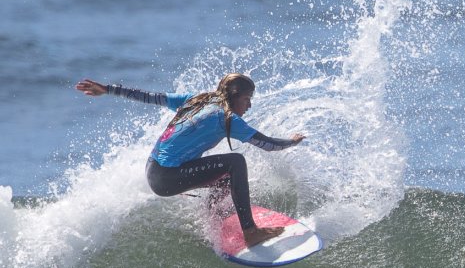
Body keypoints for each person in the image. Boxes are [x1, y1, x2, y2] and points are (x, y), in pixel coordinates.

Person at [75, 73, 305, 246]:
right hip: (167, 177)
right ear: (235, 97)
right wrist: (292, 142)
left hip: (154, 169)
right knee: (236, 162)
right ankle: (251, 231)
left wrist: (107, 89)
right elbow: (268, 145)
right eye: (247, 99)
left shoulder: (196, 100)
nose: (249, 105)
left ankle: (211, 217)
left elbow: (151, 97)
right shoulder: (226, 118)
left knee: (228, 179)